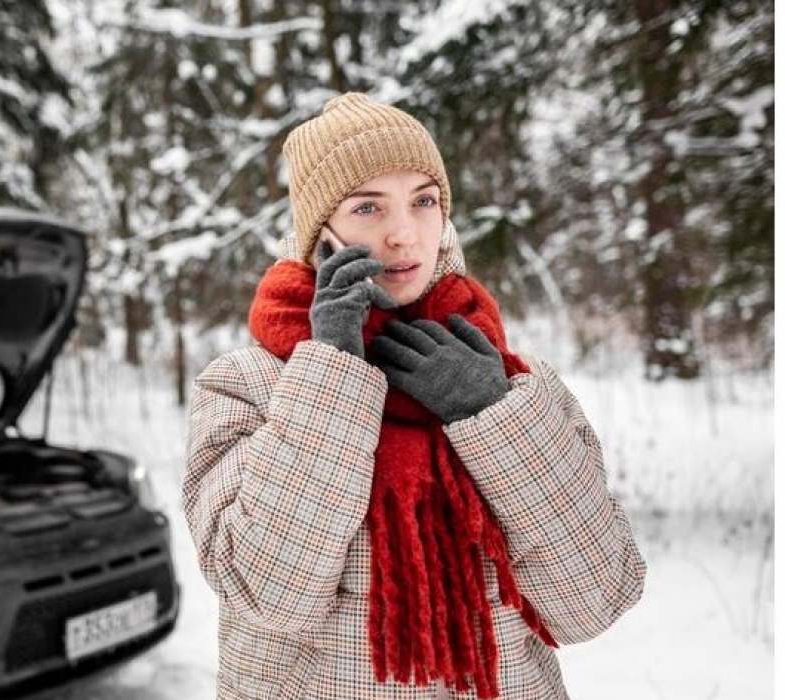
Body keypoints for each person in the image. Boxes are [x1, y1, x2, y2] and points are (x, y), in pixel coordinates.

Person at [182, 92, 647, 700]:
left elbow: (595, 600)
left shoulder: (516, 382)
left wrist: (492, 416)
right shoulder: (246, 385)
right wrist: (332, 373)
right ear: (319, 233)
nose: (403, 235)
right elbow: (267, 593)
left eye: (424, 201)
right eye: (367, 207)